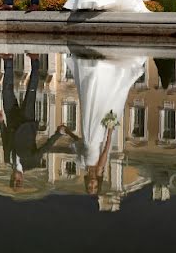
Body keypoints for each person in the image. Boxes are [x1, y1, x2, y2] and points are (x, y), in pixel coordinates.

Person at [62, 48, 147, 195]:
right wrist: (109, 129)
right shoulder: (99, 168)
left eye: (90, 187)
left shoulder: (83, 164)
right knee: (100, 104)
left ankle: (94, 73)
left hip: (88, 131)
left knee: (89, 102)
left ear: (87, 182)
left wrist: (67, 131)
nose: (92, 185)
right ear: (98, 183)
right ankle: (99, 73)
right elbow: (106, 149)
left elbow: (79, 142)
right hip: (98, 133)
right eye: (95, 187)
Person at [0, 54, 70, 189]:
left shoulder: (8, 160)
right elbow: (46, 147)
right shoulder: (31, 163)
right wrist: (58, 134)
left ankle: (8, 61)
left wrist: (2, 123)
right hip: (26, 122)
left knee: (6, 91)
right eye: (18, 182)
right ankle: (35, 61)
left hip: (12, 121)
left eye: (13, 181)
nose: (15, 179)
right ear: (22, 179)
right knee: (31, 91)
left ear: (10, 178)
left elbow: (5, 140)